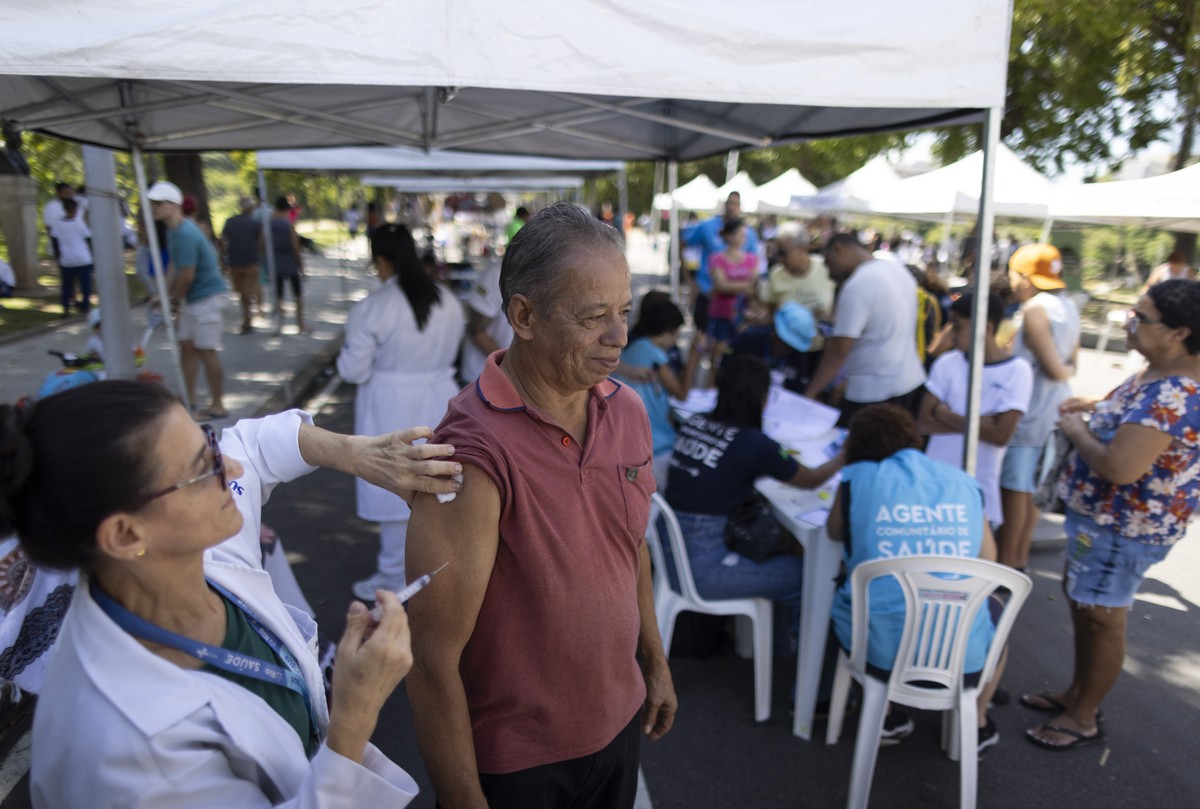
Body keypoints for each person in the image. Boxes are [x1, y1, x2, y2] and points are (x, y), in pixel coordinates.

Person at [0, 379, 465, 807]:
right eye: (203, 468)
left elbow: (254, 445)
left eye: (209, 441)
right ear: (124, 535)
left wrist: (356, 453)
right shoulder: (126, 749)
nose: (234, 469)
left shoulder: (182, 554)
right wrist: (353, 716)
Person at [405, 202, 676, 809]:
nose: (620, 337)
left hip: (618, 720)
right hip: (521, 759)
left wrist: (652, 661)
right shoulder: (471, 451)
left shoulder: (627, 410)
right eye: (594, 318)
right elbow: (431, 659)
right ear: (523, 316)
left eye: (625, 312)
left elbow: (628, 545)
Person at [1024, 279, 1200, 752]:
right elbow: (1137, 416)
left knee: (1102, 617)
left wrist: (1079, 430)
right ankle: (1077, 694)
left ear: (1179, 333)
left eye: (1141, 318)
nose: (1130, 323)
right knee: (1087, 607)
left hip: (1122, 529)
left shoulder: (1176, 392)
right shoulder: (1159, 372)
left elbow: (1121, 468)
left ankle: (1082, 717)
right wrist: (1100, 405)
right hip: (1106, 524)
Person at [827, 404, 1004, 753]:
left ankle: (884, 712)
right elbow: (989, 559)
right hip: (961, 658)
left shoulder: (855, 480)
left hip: (876, 652)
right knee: (996, 610)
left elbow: (834, 532)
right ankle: (977, 721)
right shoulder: (964, 482)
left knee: (867, 599)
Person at [665, 354, 843, 652]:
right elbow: (811, 480)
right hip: (704, 568)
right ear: (760, 398)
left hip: (672, 552)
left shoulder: (695, 421)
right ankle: (805, 673)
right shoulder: (753, 443)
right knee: (809, 577)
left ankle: (780, 646)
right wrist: (845, 456)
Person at [337, 223, 464, 600]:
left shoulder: (372, 307)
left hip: (391, 401)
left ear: (382, 260)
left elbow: (352, 369)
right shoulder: (447, 299)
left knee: (394, 482)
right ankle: (442, 563)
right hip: (441, 395)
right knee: (439, 479)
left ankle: (394, 572)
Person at [996, 244, 1081, 570]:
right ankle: (1017, 563)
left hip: (1029, 411)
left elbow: (1052, 367)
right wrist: (1064, 369)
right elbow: (1070, 366)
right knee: (1034, 493)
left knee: (1016, 491)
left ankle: (1006, 564)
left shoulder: (1034, 310)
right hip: (1056, 408)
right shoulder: (1068, 305)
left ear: (1026, 278)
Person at [918, 292, 1033, 527]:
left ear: (986, 327)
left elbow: (1000, 435)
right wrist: (982, 423)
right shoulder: (947, 363)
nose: (950, 332)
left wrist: (944, 413)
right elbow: (923, 421)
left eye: (958, 325)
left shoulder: (1017, 371)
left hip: (978, 495)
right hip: (931, 489)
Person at [805, 233, 927, 424]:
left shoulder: (857, 286)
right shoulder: (897, 270)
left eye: (828, 264)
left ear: (839, 251)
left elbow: (838, 352)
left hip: (873, 394)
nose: (829, 275)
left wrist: (811, 393)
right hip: (910, 382)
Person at [148, 180, 229, 421]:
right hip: (195, 299)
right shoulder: (174, 230)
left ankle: (217, 405)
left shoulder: (184, 232)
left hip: (208, 298)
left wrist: (173, 300)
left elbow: (187, 275)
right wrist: (162, 293)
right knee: (187, 349)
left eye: (158, 203)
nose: (153, 207)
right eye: (152, 203)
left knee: (206, 351)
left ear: (174, 205)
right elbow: (175, 266)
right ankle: (188, 399)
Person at [618, 298, 693, 491]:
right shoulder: (654, 354)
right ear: (669, 331)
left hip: (632, 447)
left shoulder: (632, 349)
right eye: (676, 335)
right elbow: (681, 393)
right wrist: (695, 355)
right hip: (658, 446)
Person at [682, 191, 759, 336]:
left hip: (737, 303)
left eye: (736, 204)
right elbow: (684, 246)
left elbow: (754, 266)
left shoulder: (749, 233)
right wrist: (689, 279)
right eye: (730, 203)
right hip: (707, 293)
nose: (732, 207)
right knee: (701, 338)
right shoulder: (707, 226)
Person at [728, 300, 818, 394]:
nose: (785, 347)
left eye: (791, 345)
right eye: (782, 341)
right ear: (775, 329)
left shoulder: (799, 358)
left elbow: (798, 391)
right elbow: (723, 370)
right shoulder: (748, 340)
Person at [705, 218, 758, 354]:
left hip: (744, 316)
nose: (743, 238)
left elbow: (753, 285)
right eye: (740, 235)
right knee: (718, 354)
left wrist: (730, 286)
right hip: (721, 314)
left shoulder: (751, 258)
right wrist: (745, 286)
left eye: (744, 235)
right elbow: (721, 285)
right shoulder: (717, 258)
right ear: (729, 236)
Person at [459, 258, 515, 383]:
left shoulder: (552, 272)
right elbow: (476, 331)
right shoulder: (499, 272)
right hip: (482, 379)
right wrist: (512, 369)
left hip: (519, 382)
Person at [264, 196, 307, 333]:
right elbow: (295, 247)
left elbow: (261, 244)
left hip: (275, 263)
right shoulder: (289, 224)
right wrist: (301, 266)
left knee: (278, 295)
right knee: (297, 294)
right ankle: (300, 324)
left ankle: (279, 324)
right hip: (290, 263)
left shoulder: (268, 223)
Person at [221, 196, 262, 334]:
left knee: (243, 294)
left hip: (235, 263)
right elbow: (261, 243)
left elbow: (223, 240)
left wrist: (224, 256)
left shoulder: (230, 222)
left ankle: (247, 319)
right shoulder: (255, 224)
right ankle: (247, 318)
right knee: (247, 293)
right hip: (251, 263)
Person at [49, 197, 93, 317]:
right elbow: (88, 238)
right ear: (75, 209)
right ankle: (85, 306)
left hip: (67, 260)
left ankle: (66, 308)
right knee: (85, 284)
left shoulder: (57, 224)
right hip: (83, 258)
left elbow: (54, 241)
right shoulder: (79, 223)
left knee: (67, 285)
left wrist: (58, 258)